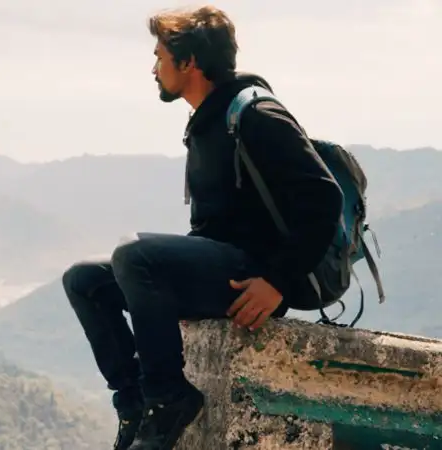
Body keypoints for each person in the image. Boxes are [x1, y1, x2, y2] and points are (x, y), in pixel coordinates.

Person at [61, 4, 344, 450]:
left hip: (251, 280)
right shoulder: (208, 120)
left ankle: (168, 398)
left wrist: (277, 281)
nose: (153, 69)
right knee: (84, 280)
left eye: (160, 57)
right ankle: (133, 402)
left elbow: (325, 197)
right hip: (221, 267)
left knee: (134, 254)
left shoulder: (256, 114)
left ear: (189, 61)